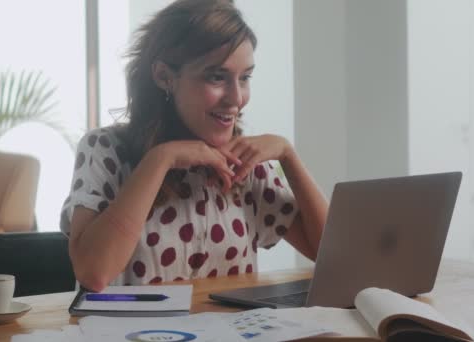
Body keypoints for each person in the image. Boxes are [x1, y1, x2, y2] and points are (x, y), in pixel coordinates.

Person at [60, 0, 328, 292]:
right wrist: (161, 159)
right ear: (164, 76)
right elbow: (94, 273)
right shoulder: (105, 149)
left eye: (245, 77)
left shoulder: (246, 165)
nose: (236, 98)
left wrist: (288, 155)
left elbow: (333, 256)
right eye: (217, 77)